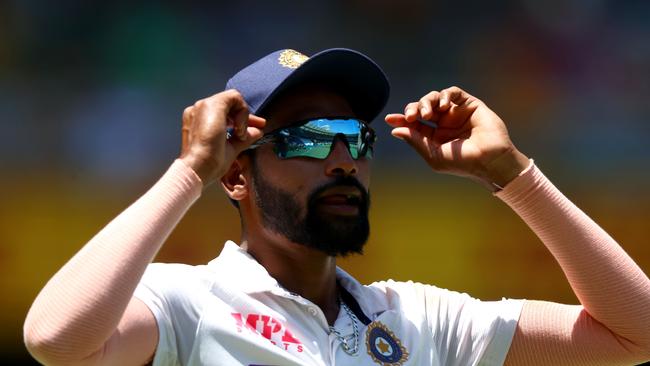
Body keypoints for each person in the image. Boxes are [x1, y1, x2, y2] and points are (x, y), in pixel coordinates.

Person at [23, 48, 650, 366]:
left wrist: (512, 174)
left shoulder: (419, 320)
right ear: (236, 175)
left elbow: (633, 336)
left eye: (356, 136)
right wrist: (188, 172)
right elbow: (56, 340)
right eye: (309, 138)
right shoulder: (186, 301)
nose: (344, 159)